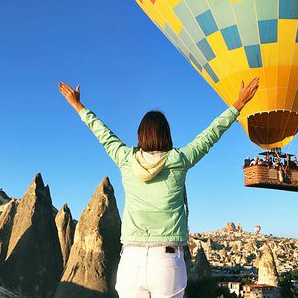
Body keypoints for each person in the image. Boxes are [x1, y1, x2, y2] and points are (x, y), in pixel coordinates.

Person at [59, 78, 260, 298]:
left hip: (130, 262)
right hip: (167, 261)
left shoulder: (126, 159)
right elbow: (209, 135)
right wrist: (238, 104)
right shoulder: (179, 160)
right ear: (167, 135)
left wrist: (78, 105)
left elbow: (103, 133)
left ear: (140, 135)